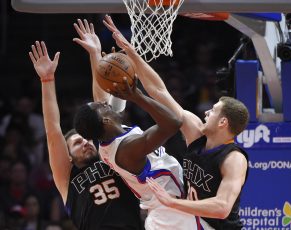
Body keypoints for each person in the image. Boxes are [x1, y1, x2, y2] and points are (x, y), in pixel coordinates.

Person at [103, 15, 250, 229]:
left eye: (214, 111)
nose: (207, 112)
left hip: (214, 226)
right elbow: (161, 92)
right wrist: (132, 54)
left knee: (158, 217)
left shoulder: (234, 159)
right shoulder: (195, 131)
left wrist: (173, 202)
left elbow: (222, 207)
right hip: (190, 221)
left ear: (223, 122)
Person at [73, 21, 201, 230]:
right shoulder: (127, 149)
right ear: (105, 119)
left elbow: (102, 97)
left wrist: (96, 54)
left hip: (172, 208)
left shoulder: (106, 136)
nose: (104, 103)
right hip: (171, 216)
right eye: (101, 107)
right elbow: (172, 123)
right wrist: (138, 97)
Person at [29, 37, 143, 230]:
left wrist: (95, 55)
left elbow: (102, 108)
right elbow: (53, 131)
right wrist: (47, 80)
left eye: (85, 139)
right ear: (69, 158)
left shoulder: (110, 156)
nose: (84, 143)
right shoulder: (67, 180)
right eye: (76, 144)